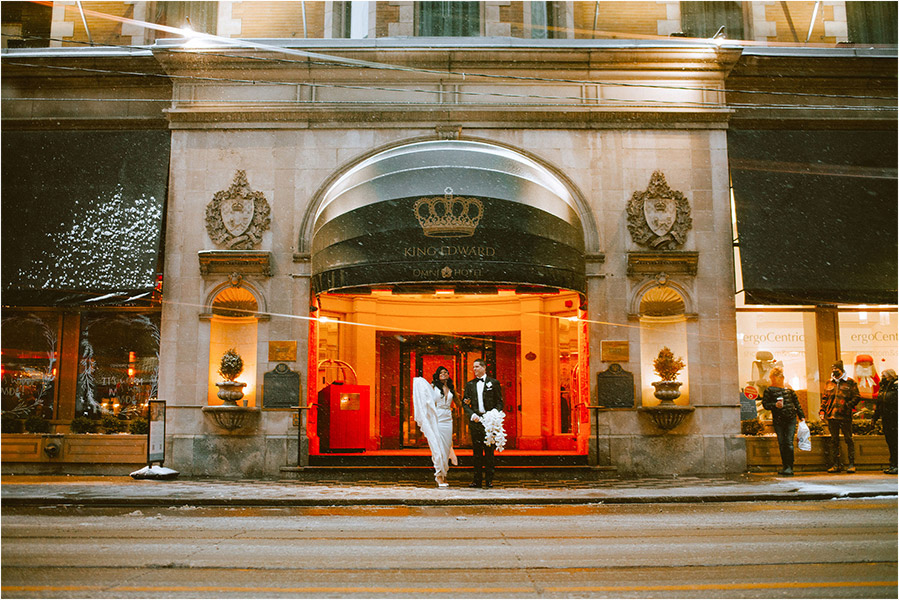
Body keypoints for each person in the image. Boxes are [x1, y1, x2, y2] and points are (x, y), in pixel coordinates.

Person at [412, 366, 458, 487]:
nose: (444, 374)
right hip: (437, 418)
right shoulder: (433, 387)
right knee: (438, 447)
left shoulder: (451, 388)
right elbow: (427, 399)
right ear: (437, 375)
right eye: (441, 373)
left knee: (446, 447)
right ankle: (438, 475)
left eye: (446, 372)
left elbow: (458, 402)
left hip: (448, 418)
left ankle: (444, 473)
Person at [461, 359, 504, 488]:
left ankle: (489, 480)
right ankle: (477, 479)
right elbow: (465, 402)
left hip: (489, 421)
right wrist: (472, 414)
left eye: (477, 367)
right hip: (476, 421)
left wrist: (494, 413)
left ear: (484, 368)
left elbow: (499, 402)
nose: (474, 369)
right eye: (473, 367)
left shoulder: (494, 383)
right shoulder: (470, 384)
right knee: (477, 451)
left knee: (489, 451)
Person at [819, 360, 862, 473]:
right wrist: (822, 411)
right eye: (832, 369)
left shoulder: (850, 382)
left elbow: (857, 397)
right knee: (834, 440)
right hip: (832, 416)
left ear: (841, 369)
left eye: (836, 369)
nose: (834, 371)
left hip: (845, 416)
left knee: (848, 439)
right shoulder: (829, 382)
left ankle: (851, 463)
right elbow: (825, 398)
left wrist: (847, 406)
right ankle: (836, 464)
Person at [761, 366, 805, 476]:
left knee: (786, 442)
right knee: (784, 443)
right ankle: (787, 466)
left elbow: (796, 403)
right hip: (784, 418)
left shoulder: (786, 390)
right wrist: (775, 405)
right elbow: (765, 404)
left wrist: (801, 416)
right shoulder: (773, 390)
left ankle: (788, 466)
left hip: (786, 418)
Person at [872, 369, 897, 475]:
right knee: (891, 442)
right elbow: (879, 405)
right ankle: (893, 464)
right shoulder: (883, 388)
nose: (882, 377)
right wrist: (875, 418)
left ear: (891, 376)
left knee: (895, 443)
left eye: (884, 375)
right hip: (886, 419)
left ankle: (896, 465)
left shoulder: (896, 386)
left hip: (895, 419)